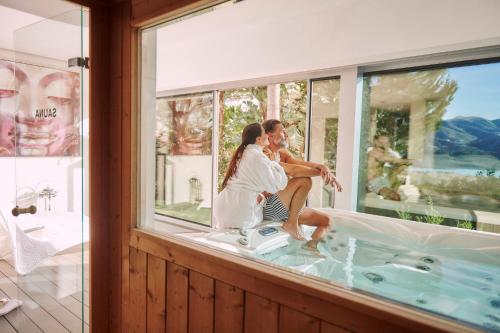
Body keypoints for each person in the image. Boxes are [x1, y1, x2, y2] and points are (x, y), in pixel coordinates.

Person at [261, 119, 342, 249]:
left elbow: (301, 164)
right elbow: (295, 171)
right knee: (304, 180)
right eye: (282, 131)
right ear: (270, 136)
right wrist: (320, 173)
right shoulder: (265, 154)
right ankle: (291, 223)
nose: (286, 134)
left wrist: (323, 168)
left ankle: (311, 248)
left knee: (326, 221)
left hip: (284, 206)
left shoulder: (282, 153)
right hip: (269, 206)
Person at [213, 123, 288, 230]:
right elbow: (277, 185)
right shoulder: (257, 157)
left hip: (224, 207)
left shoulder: (243, 153)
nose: (267, 135)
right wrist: (275, 163)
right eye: (264, 133)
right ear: (258, 139)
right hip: (240, 211)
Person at [366, 134, 411, 201]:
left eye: (387, 141)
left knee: (401, 167)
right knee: (395, 197)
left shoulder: (385, 152)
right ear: (376, 141)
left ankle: (391, 192)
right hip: (374, 182)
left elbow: (395, 161)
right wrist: (413, 161)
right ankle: (389, 194)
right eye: (383, 141)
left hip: (382, 179)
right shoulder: (373, 152)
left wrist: (405, 164)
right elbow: (393, 160)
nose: (385, 143)